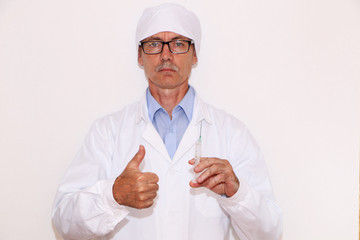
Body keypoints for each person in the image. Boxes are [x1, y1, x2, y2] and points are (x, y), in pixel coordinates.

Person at [52, 3, 282, 240]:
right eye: (153, 44)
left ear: (194, 55)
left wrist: (238, 194)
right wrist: (113, 195)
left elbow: (269, 234)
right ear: (140, 56)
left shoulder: (232, 133)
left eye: (179, 43)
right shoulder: (106, 133)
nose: (166, 55)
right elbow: (64, 223)